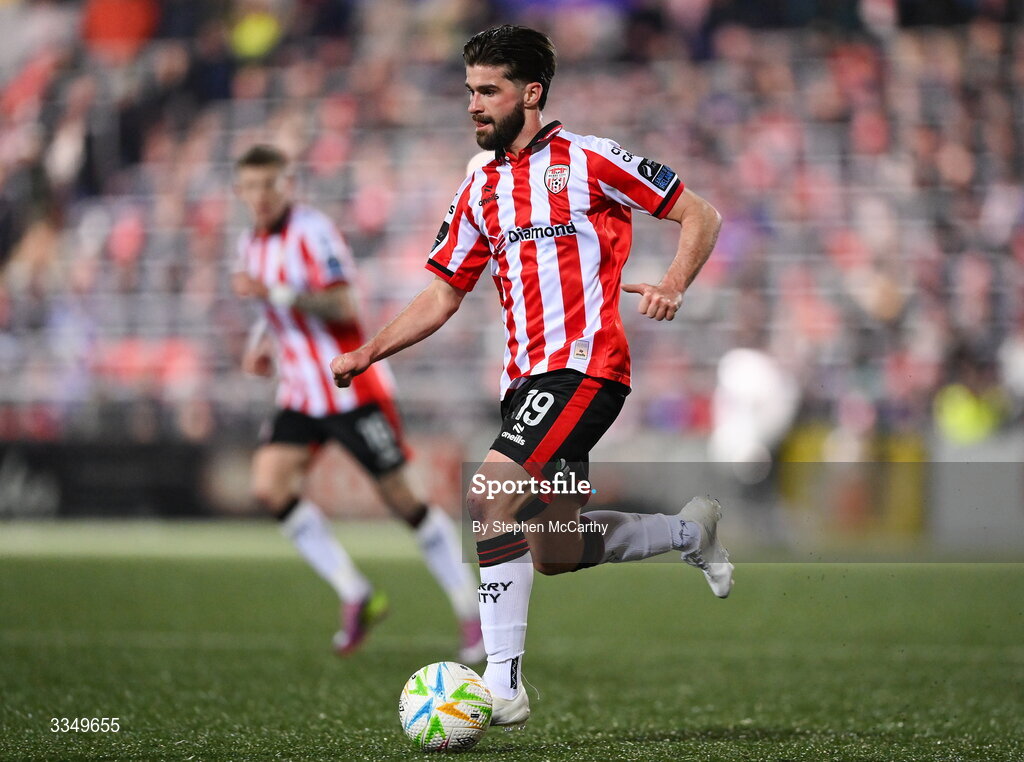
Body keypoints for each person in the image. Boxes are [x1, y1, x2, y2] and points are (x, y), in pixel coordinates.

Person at [330, 25, 732, 726]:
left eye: (489, 91)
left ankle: (503, 683)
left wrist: (673, 281)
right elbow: (443, 291)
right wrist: (371, 351)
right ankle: (687, 534)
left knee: (489, 500)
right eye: (470, 92)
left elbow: (700, 212)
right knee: (552, 549)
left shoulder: (591, 160)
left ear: (532, 92)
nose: (474, 106)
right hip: (528, 384)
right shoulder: (479, 182)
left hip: (586, 371)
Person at [231, 144, 483, 663]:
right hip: (299, 393)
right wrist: (261, 343)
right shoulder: (249, 244)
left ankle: (471, 609)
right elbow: (270, 307)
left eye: (268, 185)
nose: (259, 197)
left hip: (350, 387)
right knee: (269, 485)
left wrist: (275, 294)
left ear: (288, 185)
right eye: (250, 187)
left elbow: (342, 303)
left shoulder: (313, 232)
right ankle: (356, 592)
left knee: (404, 502)